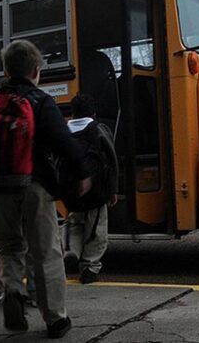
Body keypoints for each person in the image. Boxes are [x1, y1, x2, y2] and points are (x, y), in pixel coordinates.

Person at [0, 39, 91, 339]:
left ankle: (12, 289)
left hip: (0, 189)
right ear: (36, 70)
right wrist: (83, 172)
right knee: (46, 252)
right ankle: (56, 319)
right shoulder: (40, 101)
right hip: (35, 185)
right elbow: (64, 142)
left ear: (7, 70)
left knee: (7, 246)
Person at [62, 94, 119, 284]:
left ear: (73, 112)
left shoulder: (64, 131)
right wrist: (112, 190)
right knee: (96, 228)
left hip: (71, 191)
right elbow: (111, 161)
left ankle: (71, 251)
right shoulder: (99, 130)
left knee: (74, 222)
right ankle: (90, 266)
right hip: (97, 190)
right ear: (93, 113)